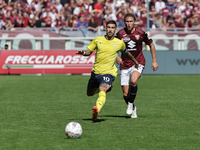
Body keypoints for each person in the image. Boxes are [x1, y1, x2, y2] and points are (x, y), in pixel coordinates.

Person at [76, 20, 139, 121]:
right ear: (105, 28)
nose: (110, 30)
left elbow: (126, 53)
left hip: (109, 72)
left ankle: (97, 110)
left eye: (112, 28)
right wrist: (83, 53)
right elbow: (89, 52)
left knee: (102, 89)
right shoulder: (97, 40)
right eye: (108, 27)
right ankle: (106, 89)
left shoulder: (119, 43)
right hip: (96, 72)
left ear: (115, 29)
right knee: (89, 93)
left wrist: (135, 61)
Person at [116, 13, 158, 118]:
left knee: (133, 81)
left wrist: (154, 60)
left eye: (131, 21)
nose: (129, 23)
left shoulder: (141, 33)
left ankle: (130, 105)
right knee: (125, 95)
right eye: (127, 21)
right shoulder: (120, 34)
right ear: (124, 22)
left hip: (138, 62)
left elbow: (151, 44)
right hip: (125, 64)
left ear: (134, 21)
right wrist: (116, 57)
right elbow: (113, 46)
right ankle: (133, 107)